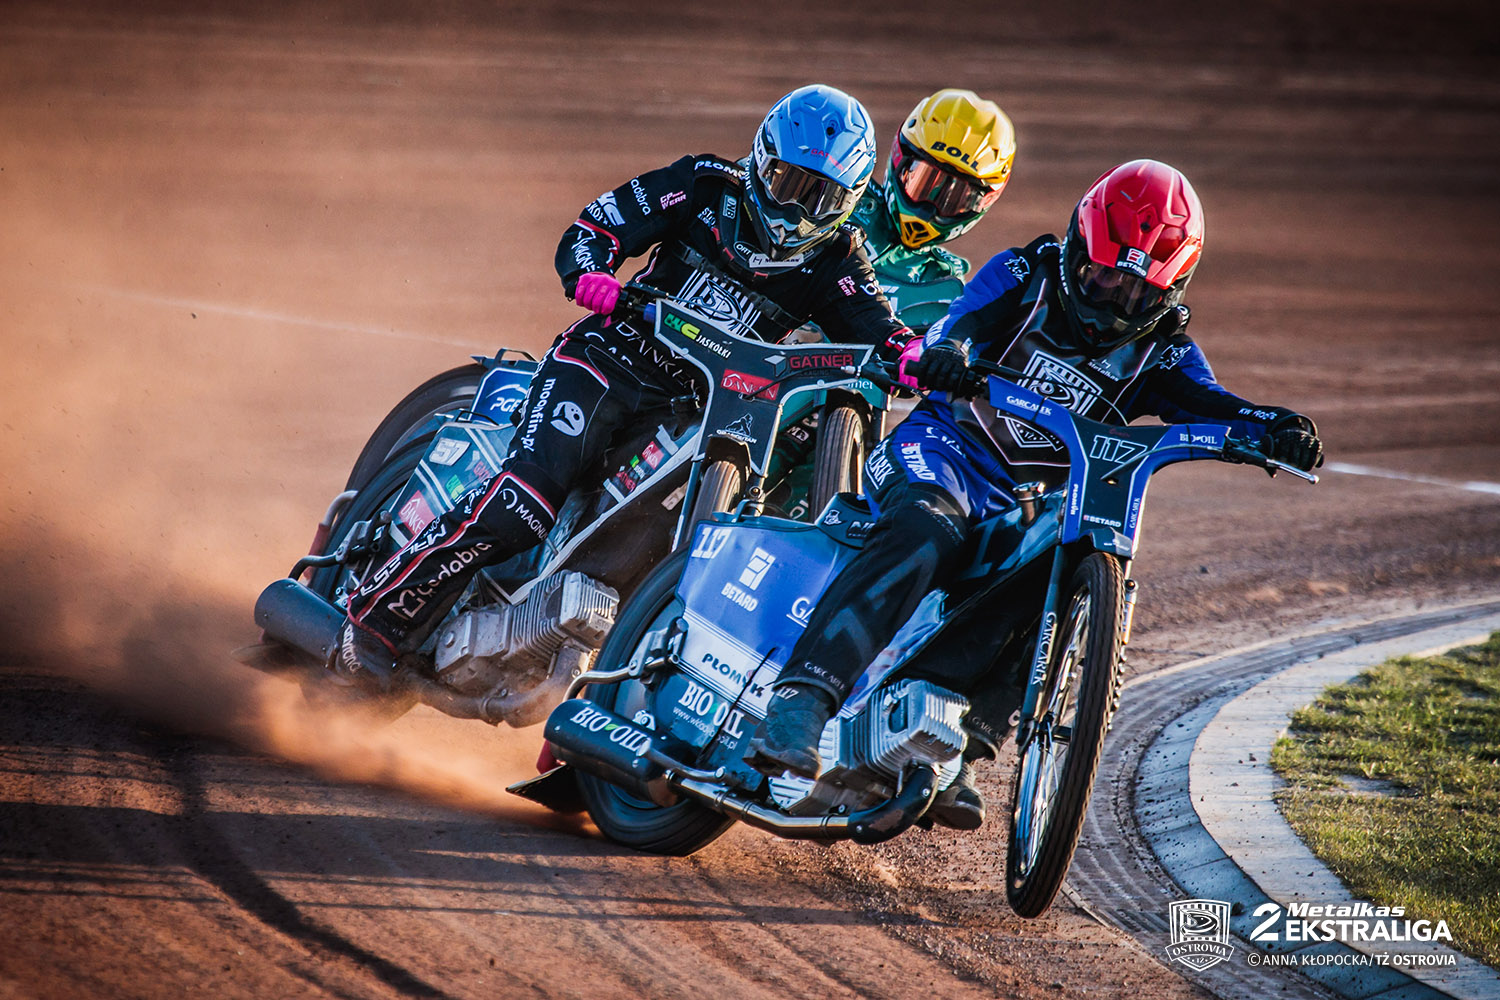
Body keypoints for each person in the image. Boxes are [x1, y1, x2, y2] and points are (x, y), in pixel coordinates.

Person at [745, 159, 1325, 829]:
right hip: (942, 454)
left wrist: (1276, 426)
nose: (1112, 302)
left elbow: (1218, 405)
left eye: (1137, 293)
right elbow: (959, 325)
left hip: (1024, 503)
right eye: (1103, 276)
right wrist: (950, 353)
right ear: (1077, 247)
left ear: (1171, 291)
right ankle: (802, 699)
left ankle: (957, 737)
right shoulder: (1024, 274)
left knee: (1062, 559)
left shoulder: (1164, 352)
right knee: (931, 527)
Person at [332, 84, 913, 687]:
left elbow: (884, 332)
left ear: (848, 202)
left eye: (822, 198)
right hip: (607, 360)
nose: (798, 211)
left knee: (646, 549)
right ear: (762, 160)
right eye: (789, 183)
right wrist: (592, 272)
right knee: (525, 502)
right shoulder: (703, 184)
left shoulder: (840, 259)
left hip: (691, 412)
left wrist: (921, 358)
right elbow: (598, 225)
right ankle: (376, 622)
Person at [849, 89, 1016, 333]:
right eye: (923, 182)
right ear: (900, 158)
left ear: (983, 202)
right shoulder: (841, 205)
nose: (926, 212)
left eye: (953, 199)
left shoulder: (946, 287)